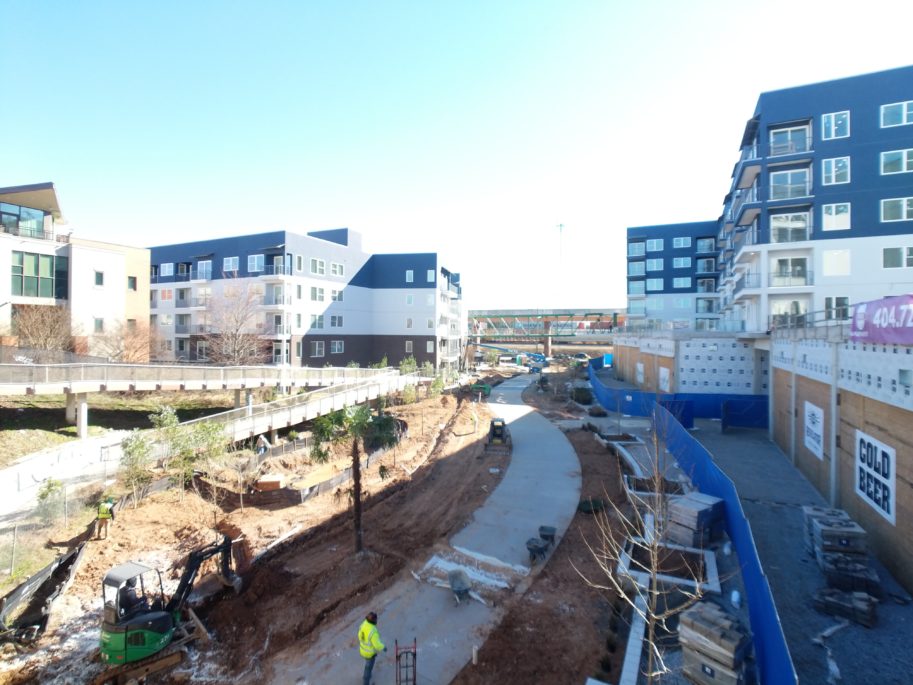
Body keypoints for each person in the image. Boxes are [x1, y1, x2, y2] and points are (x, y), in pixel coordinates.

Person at [357, 611, 386, 685]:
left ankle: (367, 676)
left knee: (367, 666)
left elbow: (359, 636)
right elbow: (377, 645)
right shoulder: (373, 631)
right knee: (368, 668)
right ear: (373, 620)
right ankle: (366, 682)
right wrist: (383, 647)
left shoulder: (363, 624)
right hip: (369, 654)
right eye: (376, 619)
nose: (377, 621)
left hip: (362, 650)